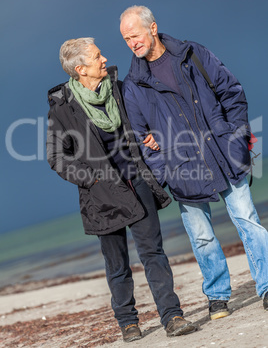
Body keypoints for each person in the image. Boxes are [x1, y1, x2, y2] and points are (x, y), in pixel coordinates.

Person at [119, 5, 268, 319]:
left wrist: (237, 136)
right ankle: (217, 297)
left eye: (135, 35)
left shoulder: (192, 53)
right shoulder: (133, 85)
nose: (132, 43)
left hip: (224, 154)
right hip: (183, 170)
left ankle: (266, 286)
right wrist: (167, 171)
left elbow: (231, 91)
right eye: (126, 39)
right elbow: (140, 138)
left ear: (153, 27)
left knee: (248, 221)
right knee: (202, 237)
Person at [46, 37, 197, 342]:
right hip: (100, 196)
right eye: (97, 56)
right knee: (117, 264)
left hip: (136, 182)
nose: (104, 59)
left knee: (154, 253)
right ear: (80, 68)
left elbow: (145, 117)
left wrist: (151, 134)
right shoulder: (62, 108)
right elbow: (56, 157)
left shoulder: (119, 87)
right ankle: (128, 322)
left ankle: (172, 316)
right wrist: (92, 179)